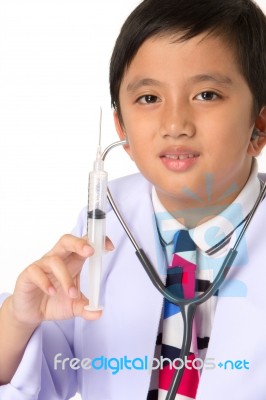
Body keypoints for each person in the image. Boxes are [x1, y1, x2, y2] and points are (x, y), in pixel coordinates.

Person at [1, 0, 266, 398]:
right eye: (148, 98)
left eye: (206, 94)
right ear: (121, 128)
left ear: (259, 125)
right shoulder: (104, 222)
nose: (175, 124)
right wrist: (19, 319)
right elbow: (31, 381)